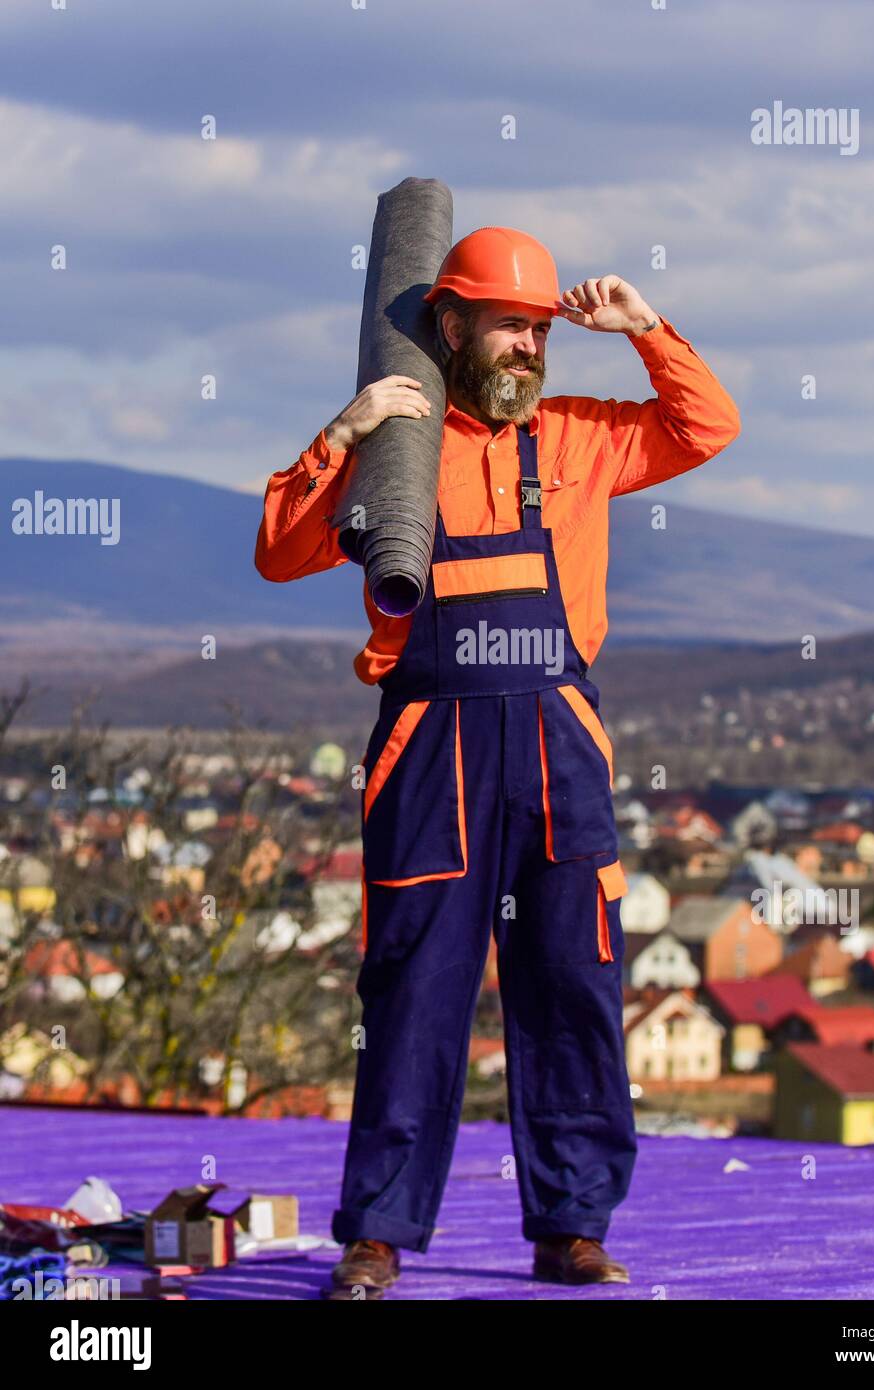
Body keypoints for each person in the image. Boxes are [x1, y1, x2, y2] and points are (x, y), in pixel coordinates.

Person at [255, 227, 741, 1296]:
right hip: (430, 748)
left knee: (574, 980)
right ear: (453, 324)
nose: (529, 343)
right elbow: (280, 549)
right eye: (510, 323)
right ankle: (377, 1233)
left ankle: (571, 1225)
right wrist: (345, 432)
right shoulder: (399, 452)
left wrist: (646, 329)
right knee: (415, 988)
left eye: (540, 327)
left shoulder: (580, 436)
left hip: (560, 745)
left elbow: (709, 426)